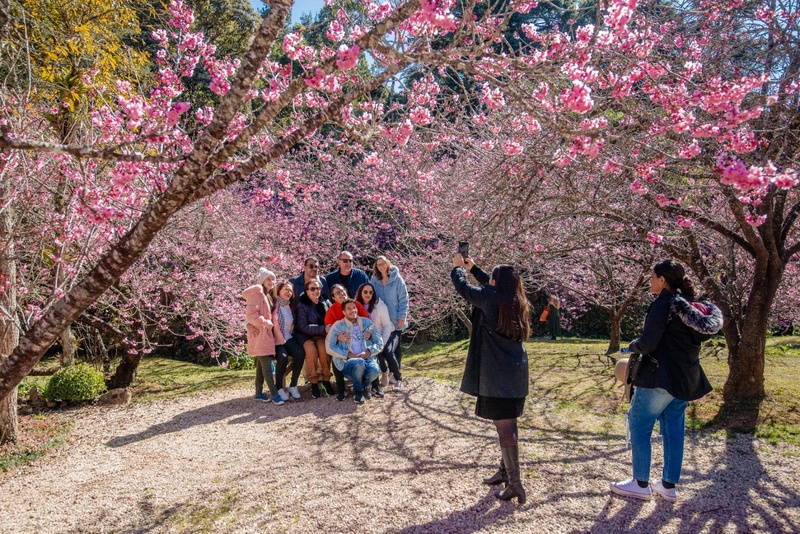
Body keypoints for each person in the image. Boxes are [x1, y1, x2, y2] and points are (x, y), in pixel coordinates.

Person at [610, 260, 723, 503]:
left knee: (639, 424)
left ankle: (640, 483)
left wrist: (633, 346)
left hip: (659, 377)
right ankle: (668, 485)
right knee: (674, 430)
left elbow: (649, 343)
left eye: (652, 277)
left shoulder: (663, 305)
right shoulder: (691, 307)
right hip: (685, 379)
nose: (649, 281)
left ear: (662, 280)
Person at [451, 255, 531, 504]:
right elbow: (493, 284)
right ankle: (505, 472)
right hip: (516, 373)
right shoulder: (516, 299)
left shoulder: (490, 297)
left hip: (497, 376)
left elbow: (464, 289)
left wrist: (458, 269)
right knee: (509, 425)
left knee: (505, 428)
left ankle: (515, 484)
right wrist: (474, 268)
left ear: (496, 282)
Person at [325, 299, 384, 405]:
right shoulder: (338, 326)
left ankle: (364, 386)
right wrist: (348, 354)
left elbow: (379, 342)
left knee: (375, 369)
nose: (353, 310)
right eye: (349, 309)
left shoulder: (367, 323)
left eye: (354, 308)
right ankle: (358, 392)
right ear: (344, 312)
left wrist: (368, 352)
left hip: (367, 359)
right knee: (358, 363)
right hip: (347, 363)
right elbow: (329, 346)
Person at [243, 268, 284, 405]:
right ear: (262, 281)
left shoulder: (267, 295)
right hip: (260, 334)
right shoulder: (257, 294)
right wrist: (265, 323)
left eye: (273, 279)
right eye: (268, 279)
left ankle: (258, 393)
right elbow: (250, 315)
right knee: (266, 367)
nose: (271, 282)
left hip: (265, 334)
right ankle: (275, 394)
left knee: (261, 366)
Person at [370, 255, 409, 391]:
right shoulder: (374, 280)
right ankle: (387, 371)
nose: (381, 266)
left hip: (396, 320)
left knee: (393, 349)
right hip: (381, 321)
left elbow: (403, 298)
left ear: (387, 263)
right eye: (378, 264)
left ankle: (396, 376)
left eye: (383, 263)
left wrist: (402, 317)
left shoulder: (396, 279)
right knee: (383, 350)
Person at [356, 282, 399, 397]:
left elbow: (386, 326)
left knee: (384, 352)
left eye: (370, 292)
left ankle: (395, 377)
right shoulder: (356, 305)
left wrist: (382, 343)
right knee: (371, 354)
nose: (368, 294)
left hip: (385, 333)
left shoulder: (379, 305)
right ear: (360, 293)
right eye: (365, 292)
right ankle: (382, 372)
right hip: (367, 337)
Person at [295, 279, 336, 399]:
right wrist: (323, 328)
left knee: (324, 350)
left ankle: (326, 380)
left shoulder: (325, 302)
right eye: (312, 289)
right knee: (311, 351)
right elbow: (303, 326)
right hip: (305, 335)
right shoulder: (302, 305)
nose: (316, 291)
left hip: (321, 335)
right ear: (307, 291)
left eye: (318, 288)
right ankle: (313, 381)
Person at [272, 280, 305, 401]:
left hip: (288, 337)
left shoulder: (291, 306)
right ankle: (279, 388)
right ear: (278, 290)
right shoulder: (273, 305)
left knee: (300, 353)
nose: (288, 292)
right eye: (286, 289)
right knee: (283, 357)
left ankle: (293, 384)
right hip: (276, 339)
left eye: (290, 290)